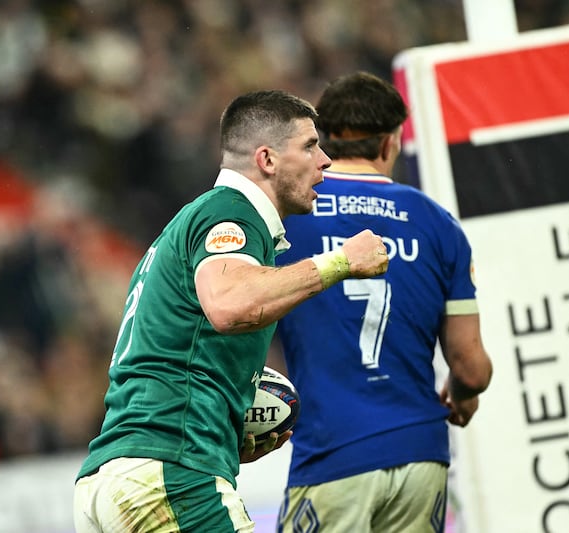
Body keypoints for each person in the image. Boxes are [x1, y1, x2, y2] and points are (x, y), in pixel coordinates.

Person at [72, 89, 390, 533]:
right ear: (267, 159)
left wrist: (227, 419)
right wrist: (339, 262)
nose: (326, 161)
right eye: (310, 146)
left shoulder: (189, 226)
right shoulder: (231, 212)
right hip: (172, 472)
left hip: (117, 475)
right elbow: (230, 304)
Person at [275, 72, 493, 533]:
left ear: (323, 142)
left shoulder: (290, 214)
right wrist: (463, 392)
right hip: (421, 453)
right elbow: (471, 368)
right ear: (391, 143)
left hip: (334, 450)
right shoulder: (438, 225)